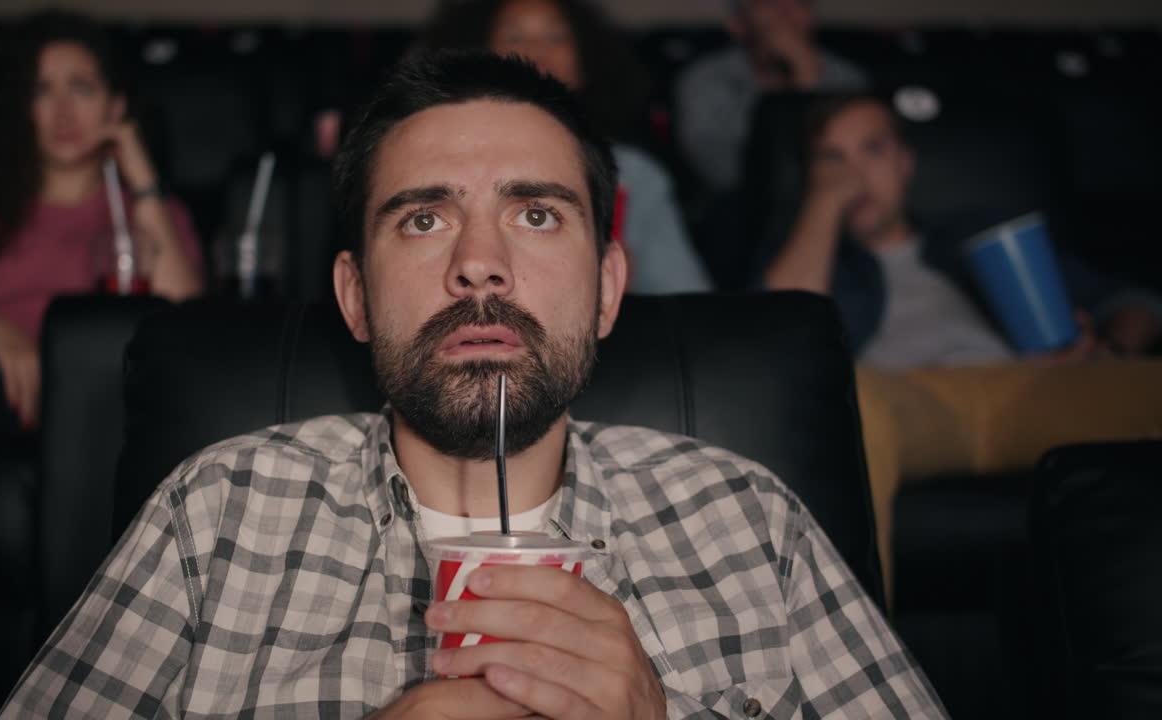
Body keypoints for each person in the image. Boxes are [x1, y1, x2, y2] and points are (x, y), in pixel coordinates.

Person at [0, 53, 946, 718]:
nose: (480, 264)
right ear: (355, 297)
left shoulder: (746, 519)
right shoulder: (218, 511)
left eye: (536, 215)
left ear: (607, 288)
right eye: (424, 220)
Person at [762, 92, 1162, 596]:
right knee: (854, 403)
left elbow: (1130, 300)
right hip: (908, 400)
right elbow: (780, 326)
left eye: (872, 150)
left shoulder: (970, 234)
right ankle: (852, 644)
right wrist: (824, 202)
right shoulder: (809, 252)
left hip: (1031, 384)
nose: (854, 174)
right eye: (832, 158)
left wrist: (1111, 349)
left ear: (905, 162)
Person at [0, 10, 203, 429]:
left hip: (103, 415)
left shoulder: (152, 213)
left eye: (82, 88)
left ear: (116, 105)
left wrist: (142, 179)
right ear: (19, 109)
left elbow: (184, 337)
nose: (64, 111)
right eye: (41, 91)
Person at [418, 0, 714, 295]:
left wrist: (625, 286)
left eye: (556, 37)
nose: (537, 50)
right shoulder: (433, 162)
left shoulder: (633, 174)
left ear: (586, 61)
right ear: (475, 57)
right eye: (515, 37)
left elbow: (688, 297)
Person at [674, 0, 866, 193]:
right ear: (737, 25)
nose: (784, 11)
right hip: (742, 200)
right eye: (767, 3)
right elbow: (720, 169)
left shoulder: (845, 78)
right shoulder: (707, 78)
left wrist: (808, 78)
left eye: (798, 2)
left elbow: (857, 161)